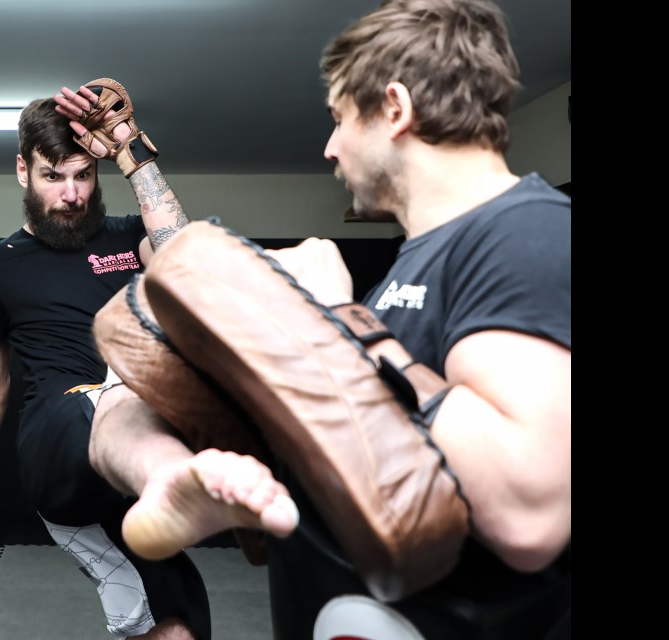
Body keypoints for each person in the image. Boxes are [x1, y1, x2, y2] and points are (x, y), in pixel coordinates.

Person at [85, 0, 571, 638]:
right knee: (126, 386)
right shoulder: (418, 263)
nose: (329, 147)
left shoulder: (526, 233)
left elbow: (529, 514)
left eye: (340, 119)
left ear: (393, 109)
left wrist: (337, 318)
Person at [0, 80, 210, 640]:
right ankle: (192, 474)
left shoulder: (127, 236)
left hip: (124, 466)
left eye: (82, 175)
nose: (70, 194)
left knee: (178, 618)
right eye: (52, 176)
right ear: (24, 172)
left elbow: (188, 264)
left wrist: (128, 148)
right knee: (95, 401)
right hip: (57, 442)